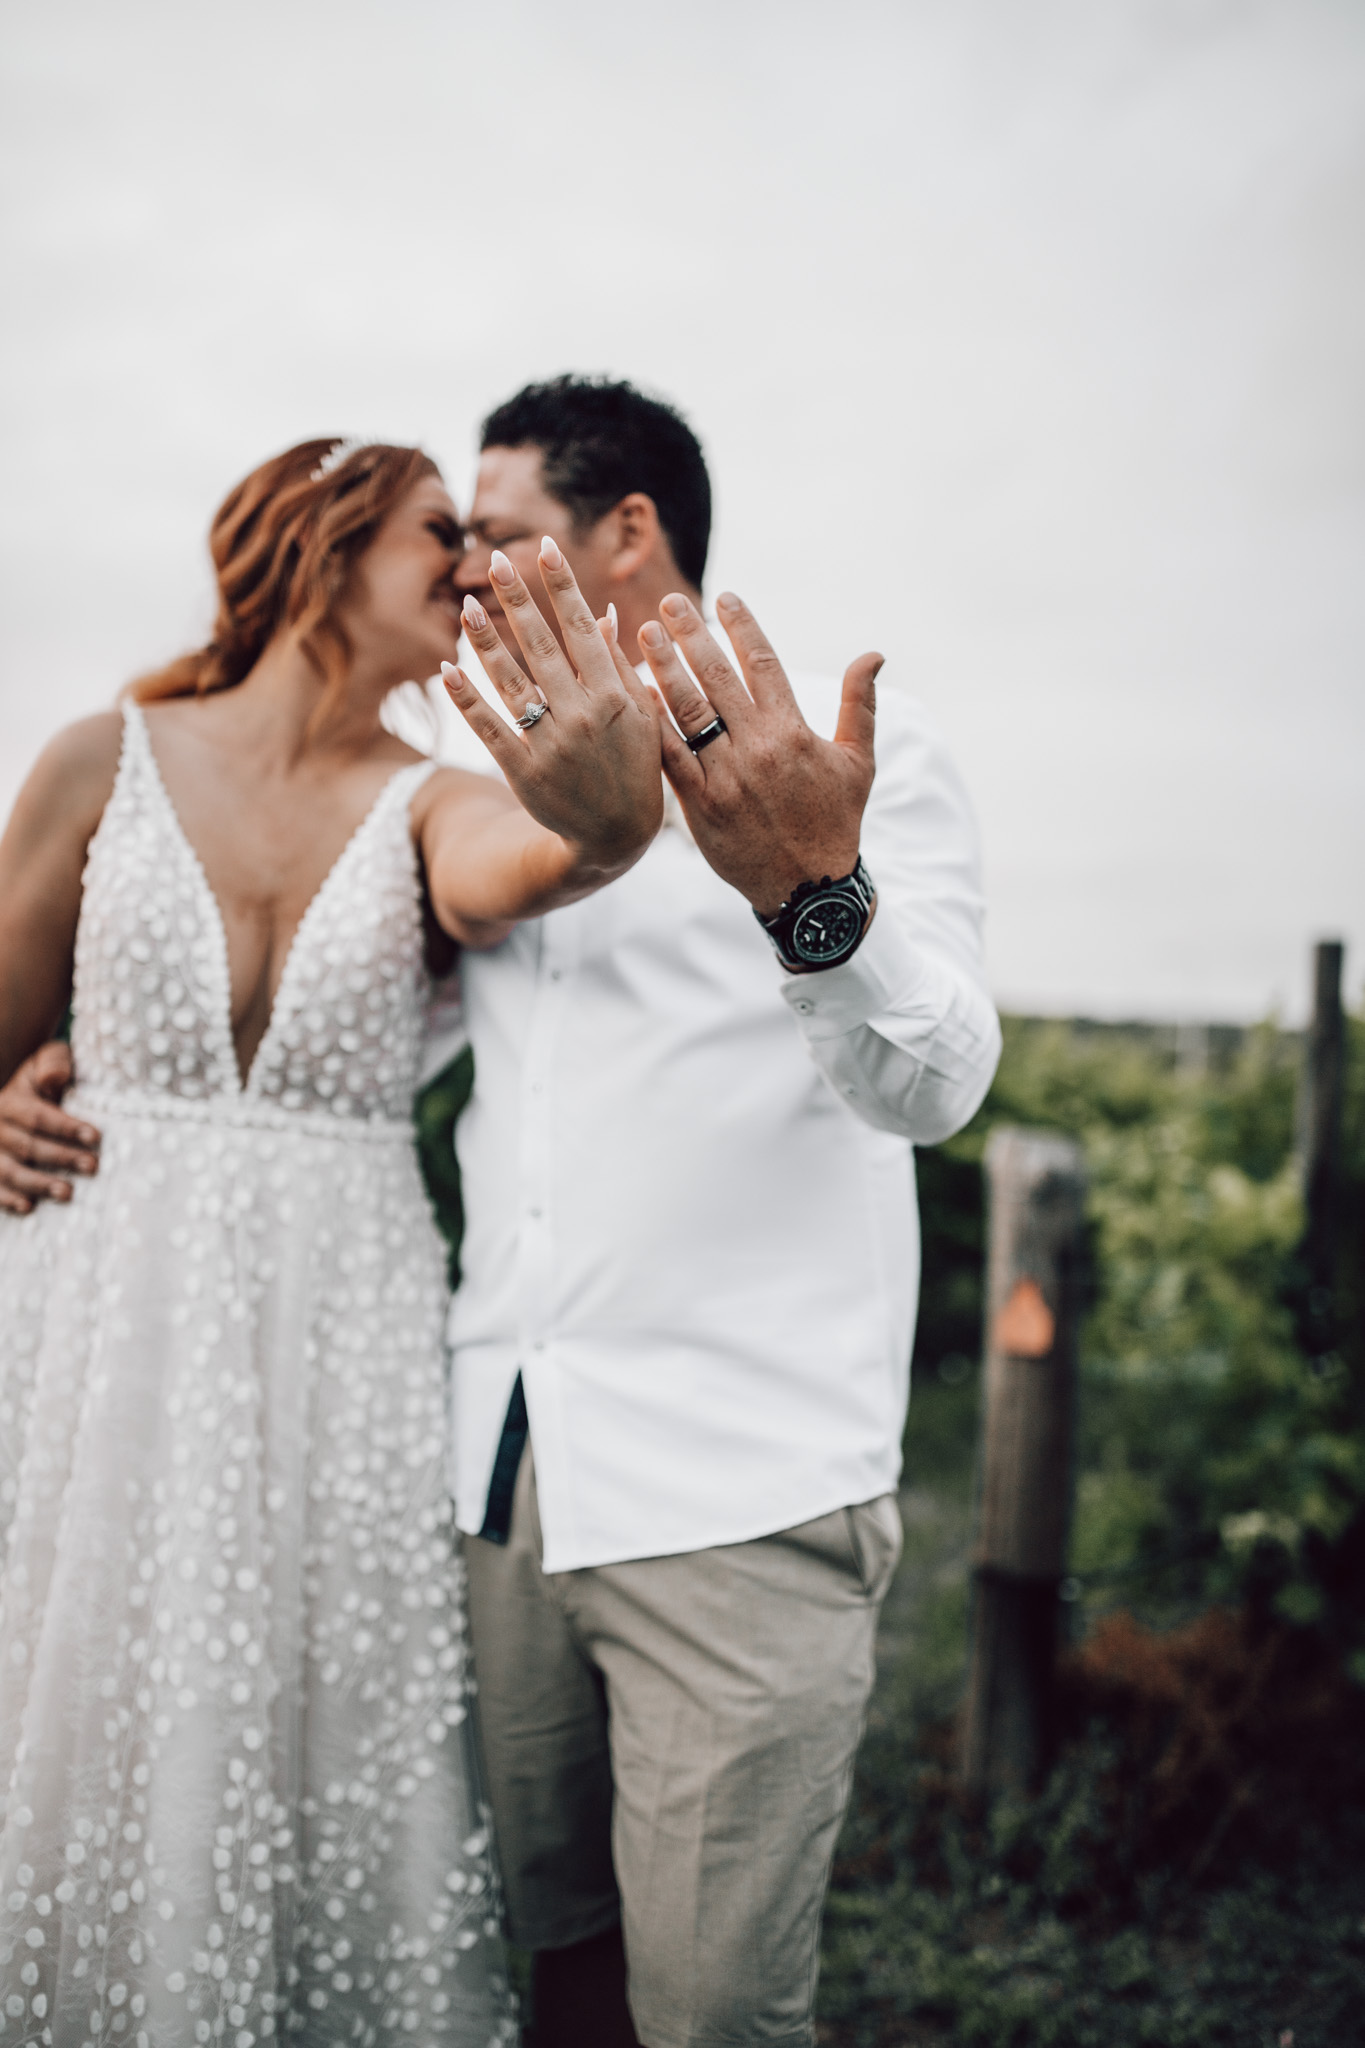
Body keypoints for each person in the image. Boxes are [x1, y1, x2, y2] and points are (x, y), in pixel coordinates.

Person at [1, 379, 1002, 2048]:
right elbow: (303, 1011)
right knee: (548, 1967)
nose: (472, 575)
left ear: (630, 531)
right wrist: (51, 1072)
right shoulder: (460, 765)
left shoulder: (832, 759)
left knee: (713, 2010)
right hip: (487, 1475)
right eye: (451, 544)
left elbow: (938, 1083)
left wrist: (809, 896)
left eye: (504, 537)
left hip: (731, 1480)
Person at [0, 435, 664, 2043]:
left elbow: (523, 867)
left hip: (340, 1340)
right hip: (97, 1323)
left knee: (327, 1713)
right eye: (440, 532)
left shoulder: (441, 803)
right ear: (322, 538)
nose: (472, 568)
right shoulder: (96, 761)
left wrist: (601, 827)